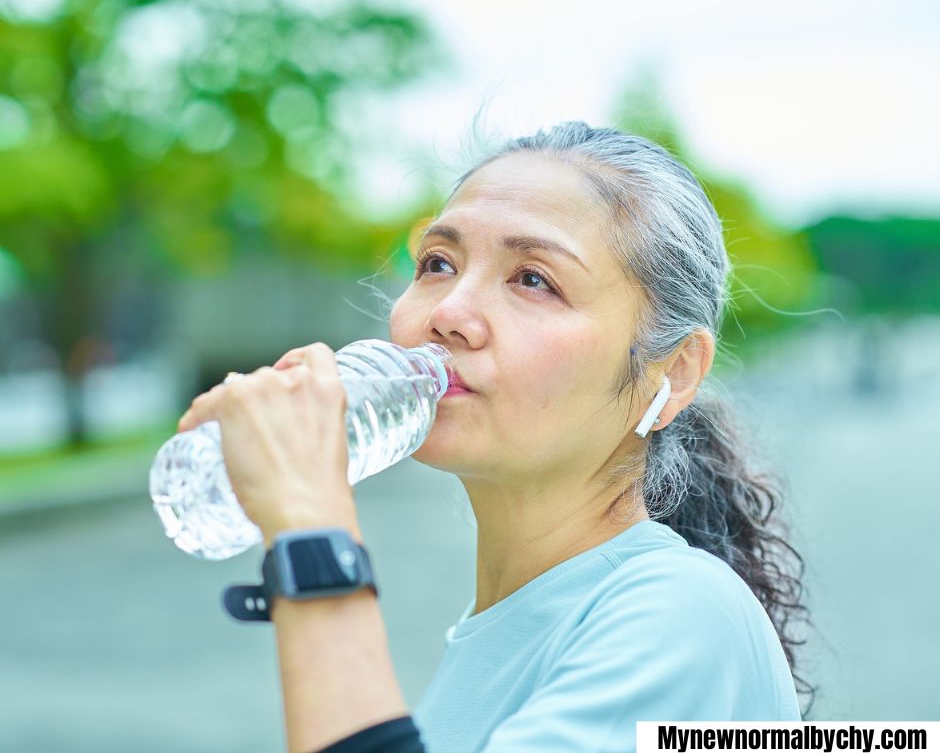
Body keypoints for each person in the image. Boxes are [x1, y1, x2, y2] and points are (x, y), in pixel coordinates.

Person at [178, 122, 810, 752]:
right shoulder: (515, 620)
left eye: (533, 279)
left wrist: (311, 532)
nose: (448, 313)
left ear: (672, 374)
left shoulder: (682, 614)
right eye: (438, 264)